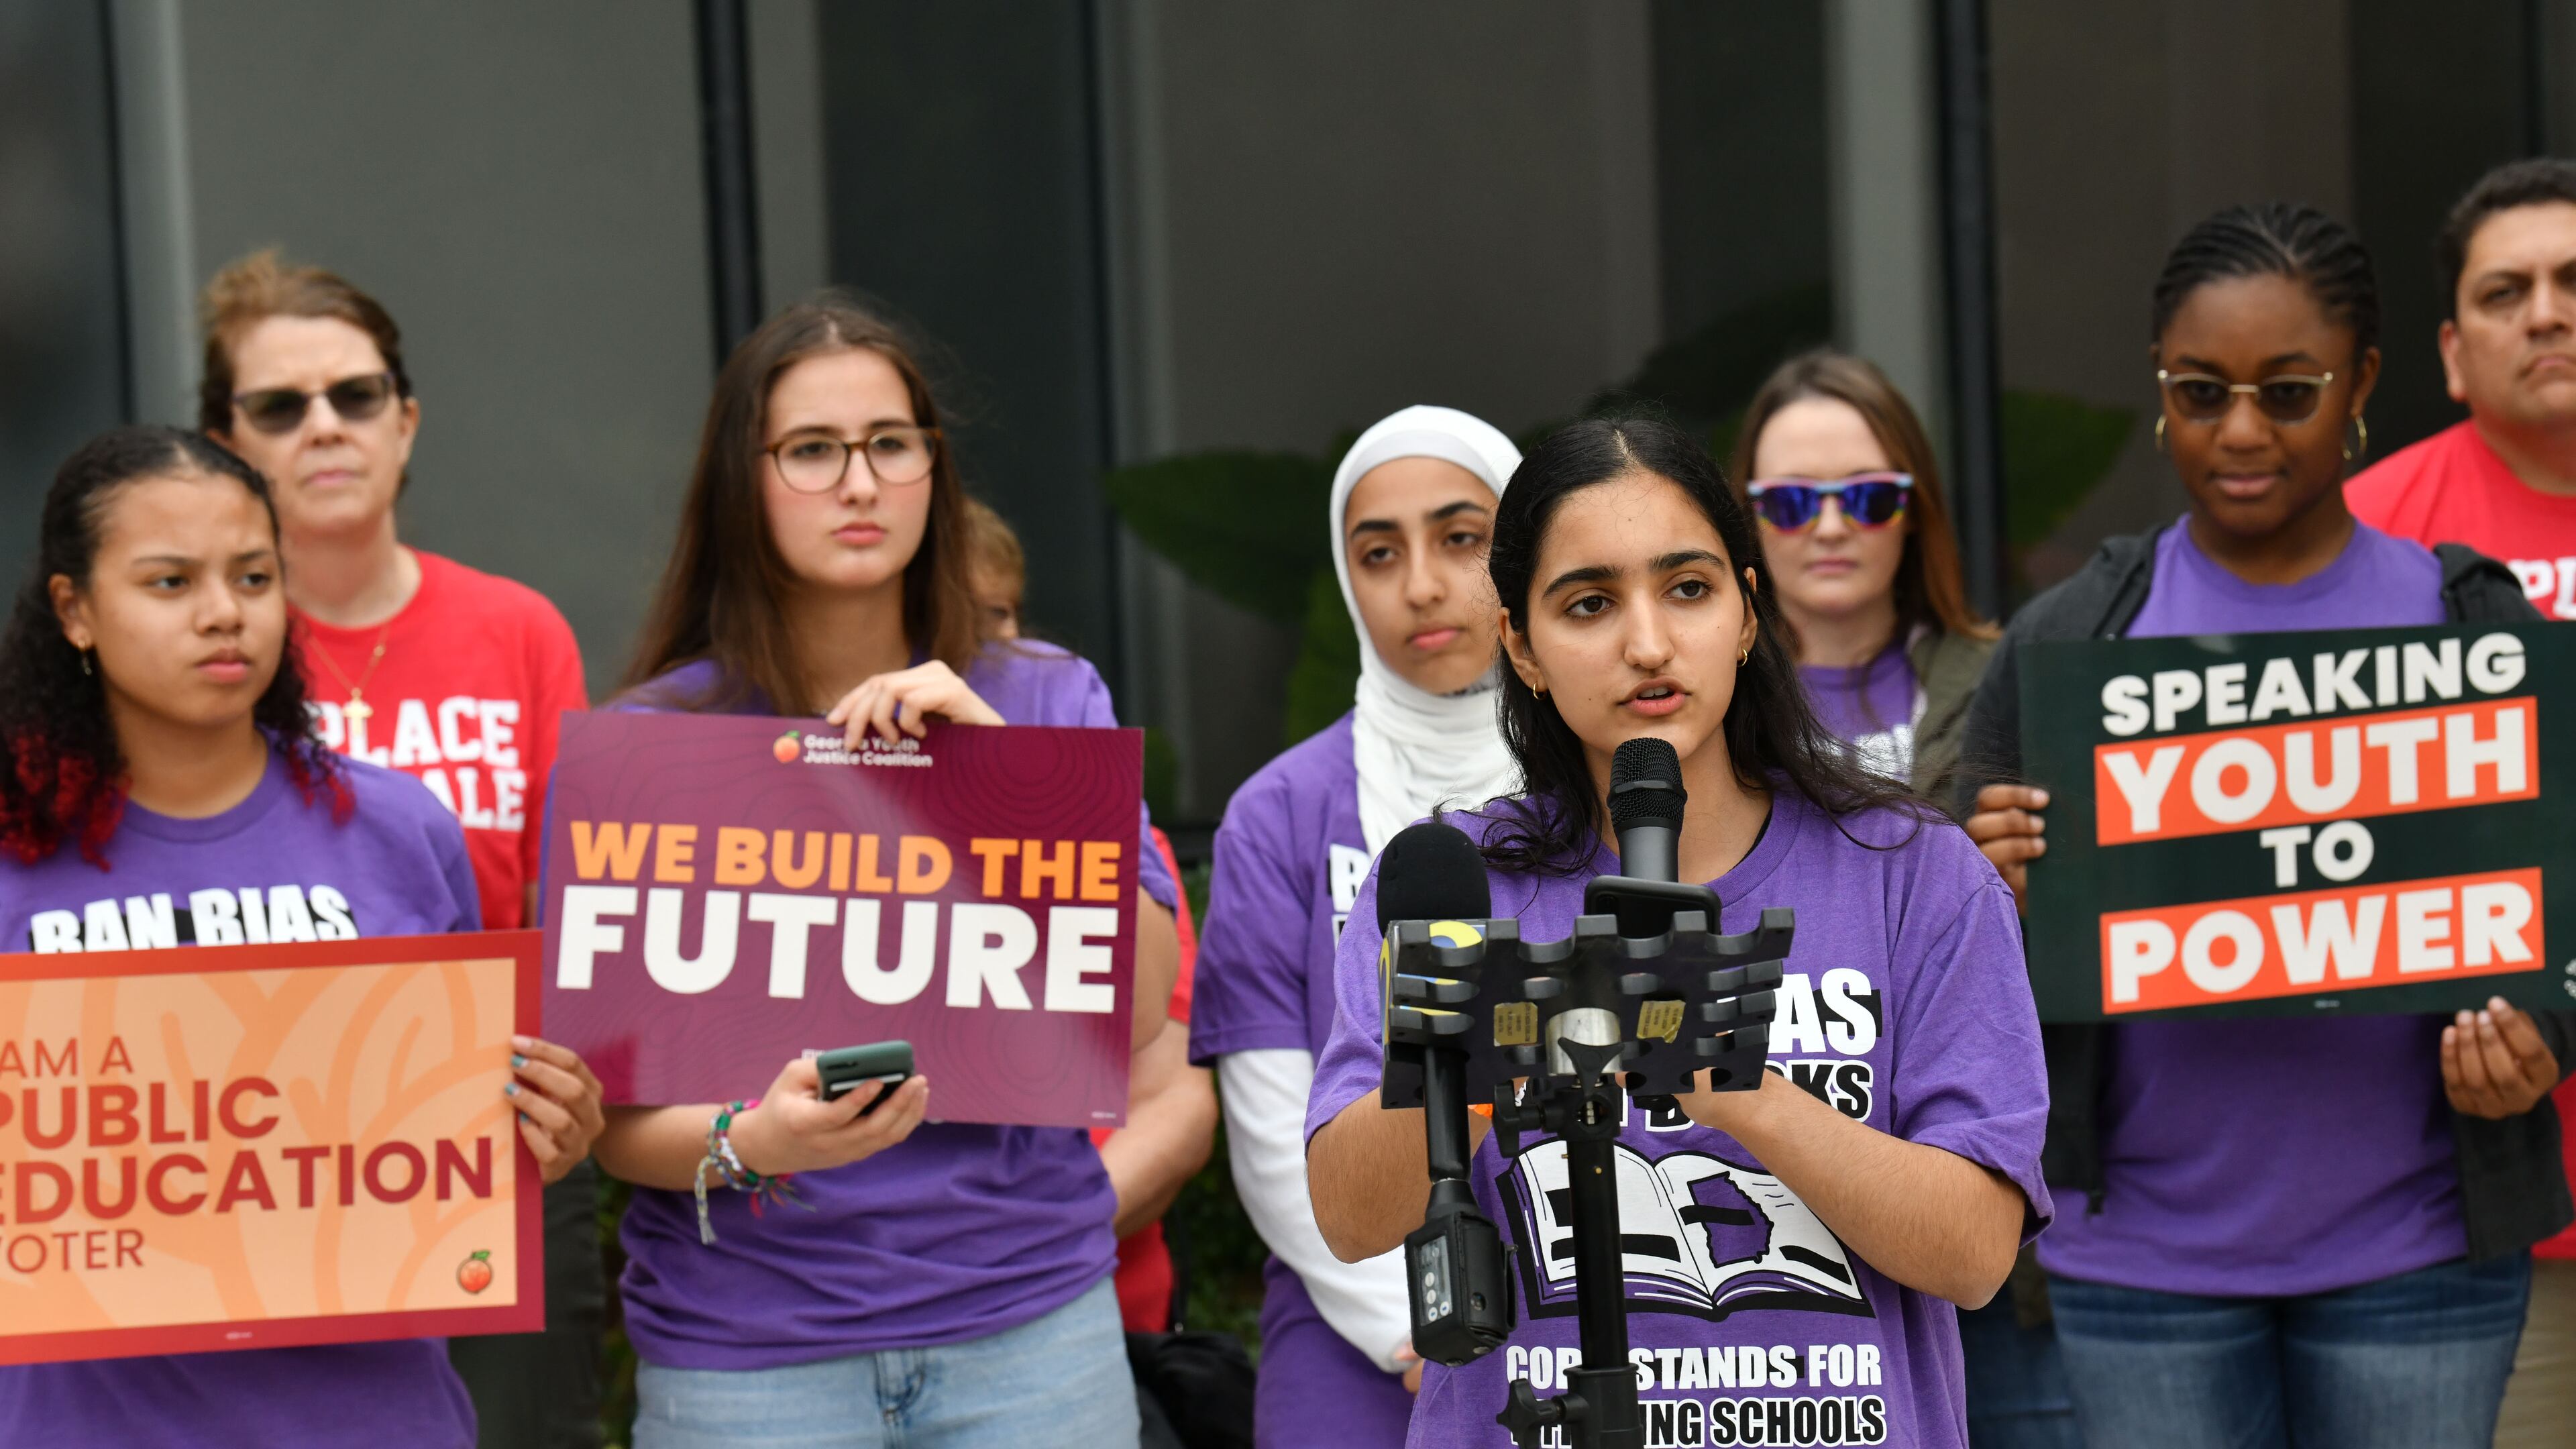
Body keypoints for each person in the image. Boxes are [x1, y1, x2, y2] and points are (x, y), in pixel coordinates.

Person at [1306, 415, 2051, 1447]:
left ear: (1749, 614)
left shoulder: (1913, 873)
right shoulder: (1452, 882)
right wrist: (1510, 1039)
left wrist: (1735, 1083)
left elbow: (1975, 1254)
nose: (1648, 643)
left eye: (1689, 589)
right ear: (1521, 645)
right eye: (1590, 604)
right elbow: (1349, 1215)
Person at [1960, 202, 2567, 1449]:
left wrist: (2547, 1034)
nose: (2240, 431)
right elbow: (1955, 967)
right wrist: (1989, 886)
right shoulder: (2070, 638)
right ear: (2161, 388)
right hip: (2140, 1265)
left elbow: (2566, 909)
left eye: (2288, 393)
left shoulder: (2470, 629)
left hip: (2424, 1253)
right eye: (2200, 392)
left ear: (2364, 386)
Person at [592, 294, 1184, 1449]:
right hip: (749, 1355)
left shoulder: (1046, 694)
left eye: (890, 445)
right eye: (812, 451)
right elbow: (617, 1125)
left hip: (1029, 1332)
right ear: (741, 481)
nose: (858, 484)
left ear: (932, 469)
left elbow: (1139, 1005)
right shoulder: (651, 740)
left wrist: (1006, 791)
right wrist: (753, 1143)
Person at [0, 426, 604, 1446]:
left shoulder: (404, 831)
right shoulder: (17, 848)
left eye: (252, 575)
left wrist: (547, 1132)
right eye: (168, 582)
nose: (223, 613)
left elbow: (461, 1147)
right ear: (75, 610)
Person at [194, 249, 602, 1449]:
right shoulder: (204, 650)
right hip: (257, 1146)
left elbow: (576, 904)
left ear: (406, 419)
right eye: (280, 405)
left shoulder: (518, 629)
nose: (324, 427)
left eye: (356, 395)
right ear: (225, 443)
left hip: (503, 1129)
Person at [1732, 353, 2072, 1448]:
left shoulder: (2015, 678)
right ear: (1738, 525)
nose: (1829, 526)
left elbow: (2125, 943)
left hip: (1993, 1233)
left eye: (1867, 497)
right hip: (1761, 1244)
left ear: (1914, 511)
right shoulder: (1689, 711)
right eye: (1789, 502)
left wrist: (2030, 895)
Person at [1188, 405, 1524, 1446]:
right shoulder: (1283, 811)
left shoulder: (1611, 787)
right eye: (1379, 553)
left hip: (1605, 1290)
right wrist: (1416, 1324)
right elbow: (1271, 1124)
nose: (1421, 584)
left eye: (1462, 539)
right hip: (1358, 1322)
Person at [2343, 158, 2576, 1446]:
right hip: (2475, 1199)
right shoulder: (2366, 535)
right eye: (2508, 290)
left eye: (2572, 282)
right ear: (2451, 346)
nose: (2546, 311)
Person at [959, 492, 1226, 1443]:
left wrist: (1020, 1242)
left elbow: (1175, 1104)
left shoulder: (1109, 835)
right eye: (958, 624)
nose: (999, 655)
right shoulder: (805, 842)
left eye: (1004, 617)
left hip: (1082, 1332)